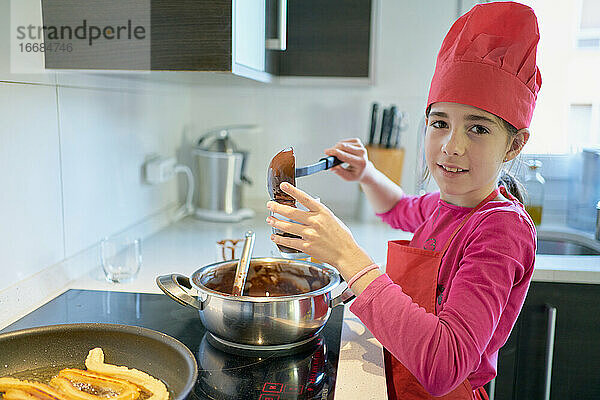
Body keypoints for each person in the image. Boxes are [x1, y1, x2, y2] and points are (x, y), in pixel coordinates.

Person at [266, 2, 540, 399]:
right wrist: (366, 174)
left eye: (477, 128)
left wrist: (351, 260)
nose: (452, 146)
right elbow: (399, 209)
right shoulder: (448, 205)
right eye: (440, 123)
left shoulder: (501, 230)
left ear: (514, 145)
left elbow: (445, 365)